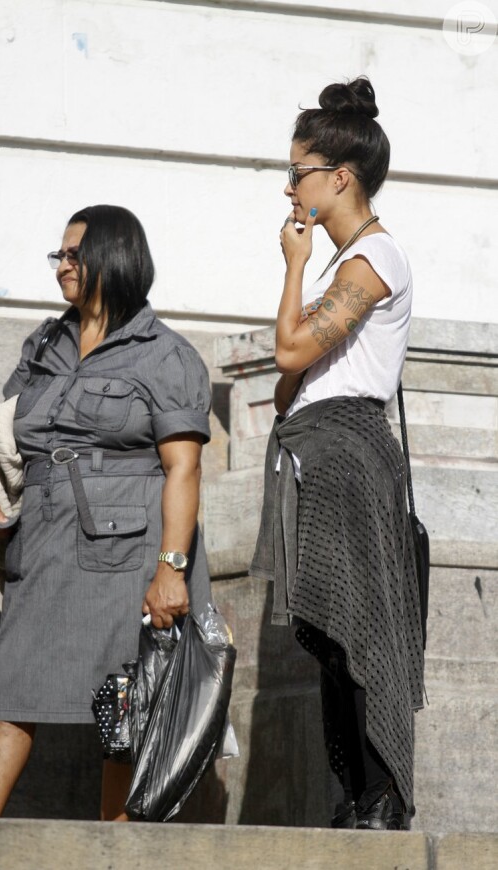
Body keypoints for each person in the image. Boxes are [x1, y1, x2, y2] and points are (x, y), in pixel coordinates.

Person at [0, 204, 213, 820]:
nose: (62, 266)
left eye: (74, 255)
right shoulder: (47, 342)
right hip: (44, 546)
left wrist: (171, 568)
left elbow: (183, 468)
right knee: (6, 689)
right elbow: (7, 422)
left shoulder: (166, 355)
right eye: (60, 255)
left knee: (126, 708)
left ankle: (116, 855)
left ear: (114, 257)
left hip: (129, 557)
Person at [250, 77, 424, 830]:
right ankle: (355, 796)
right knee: (328, 633)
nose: (289, 187)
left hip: (348, 454)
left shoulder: (372, 256)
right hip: (316, 455)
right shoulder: (344, 264)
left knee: (358, 627)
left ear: (340, 178)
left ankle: (379, 796)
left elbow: (291, 352)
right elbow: (287, 382)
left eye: (298, 172)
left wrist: (293, 264)